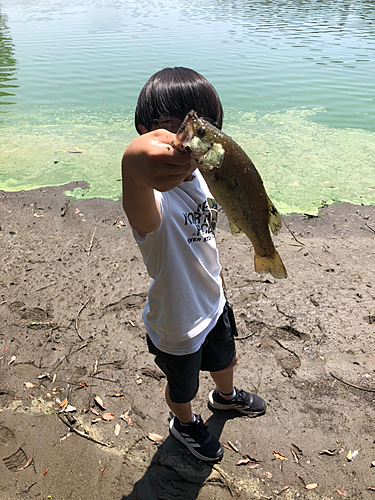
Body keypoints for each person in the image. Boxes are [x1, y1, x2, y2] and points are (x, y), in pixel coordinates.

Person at [121, 67, 266, 462]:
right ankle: (184, 423)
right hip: (177, 324)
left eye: (203, 126)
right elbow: (141, 208)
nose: (185, 137)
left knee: (226, 358)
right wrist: (133, 165)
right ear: (143, 129)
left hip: (213, 303)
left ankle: (225, 397)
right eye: (169, 126)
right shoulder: (153, 197)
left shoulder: (204, 176)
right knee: (182, 388)